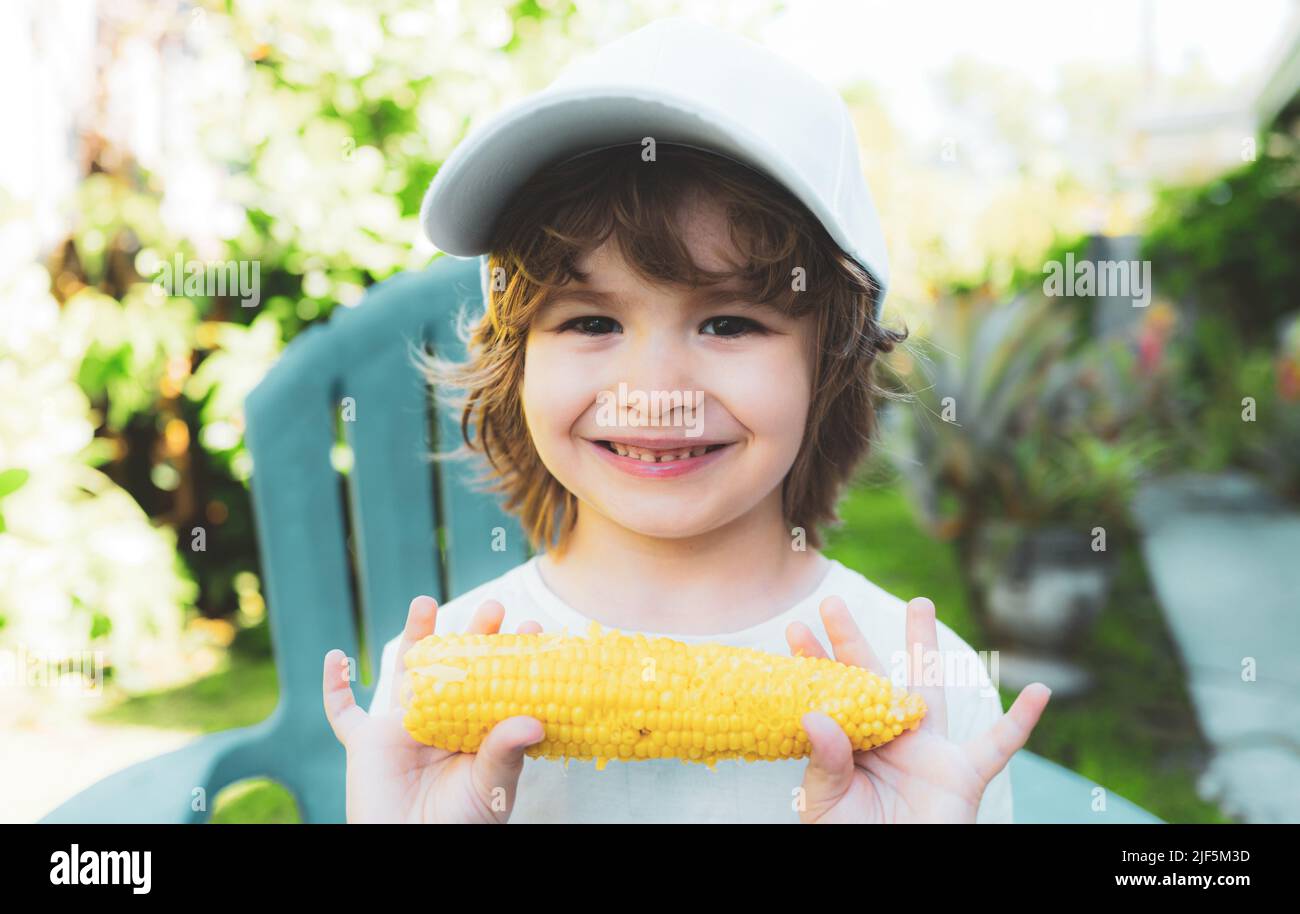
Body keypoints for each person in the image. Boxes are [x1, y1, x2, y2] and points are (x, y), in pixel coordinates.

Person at [322, 16, 1050, 823]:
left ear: (831, 363)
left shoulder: (926, 692)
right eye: (591, 322)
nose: (653, 388)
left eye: (730, 322)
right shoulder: (431, 680)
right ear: (517, 360)